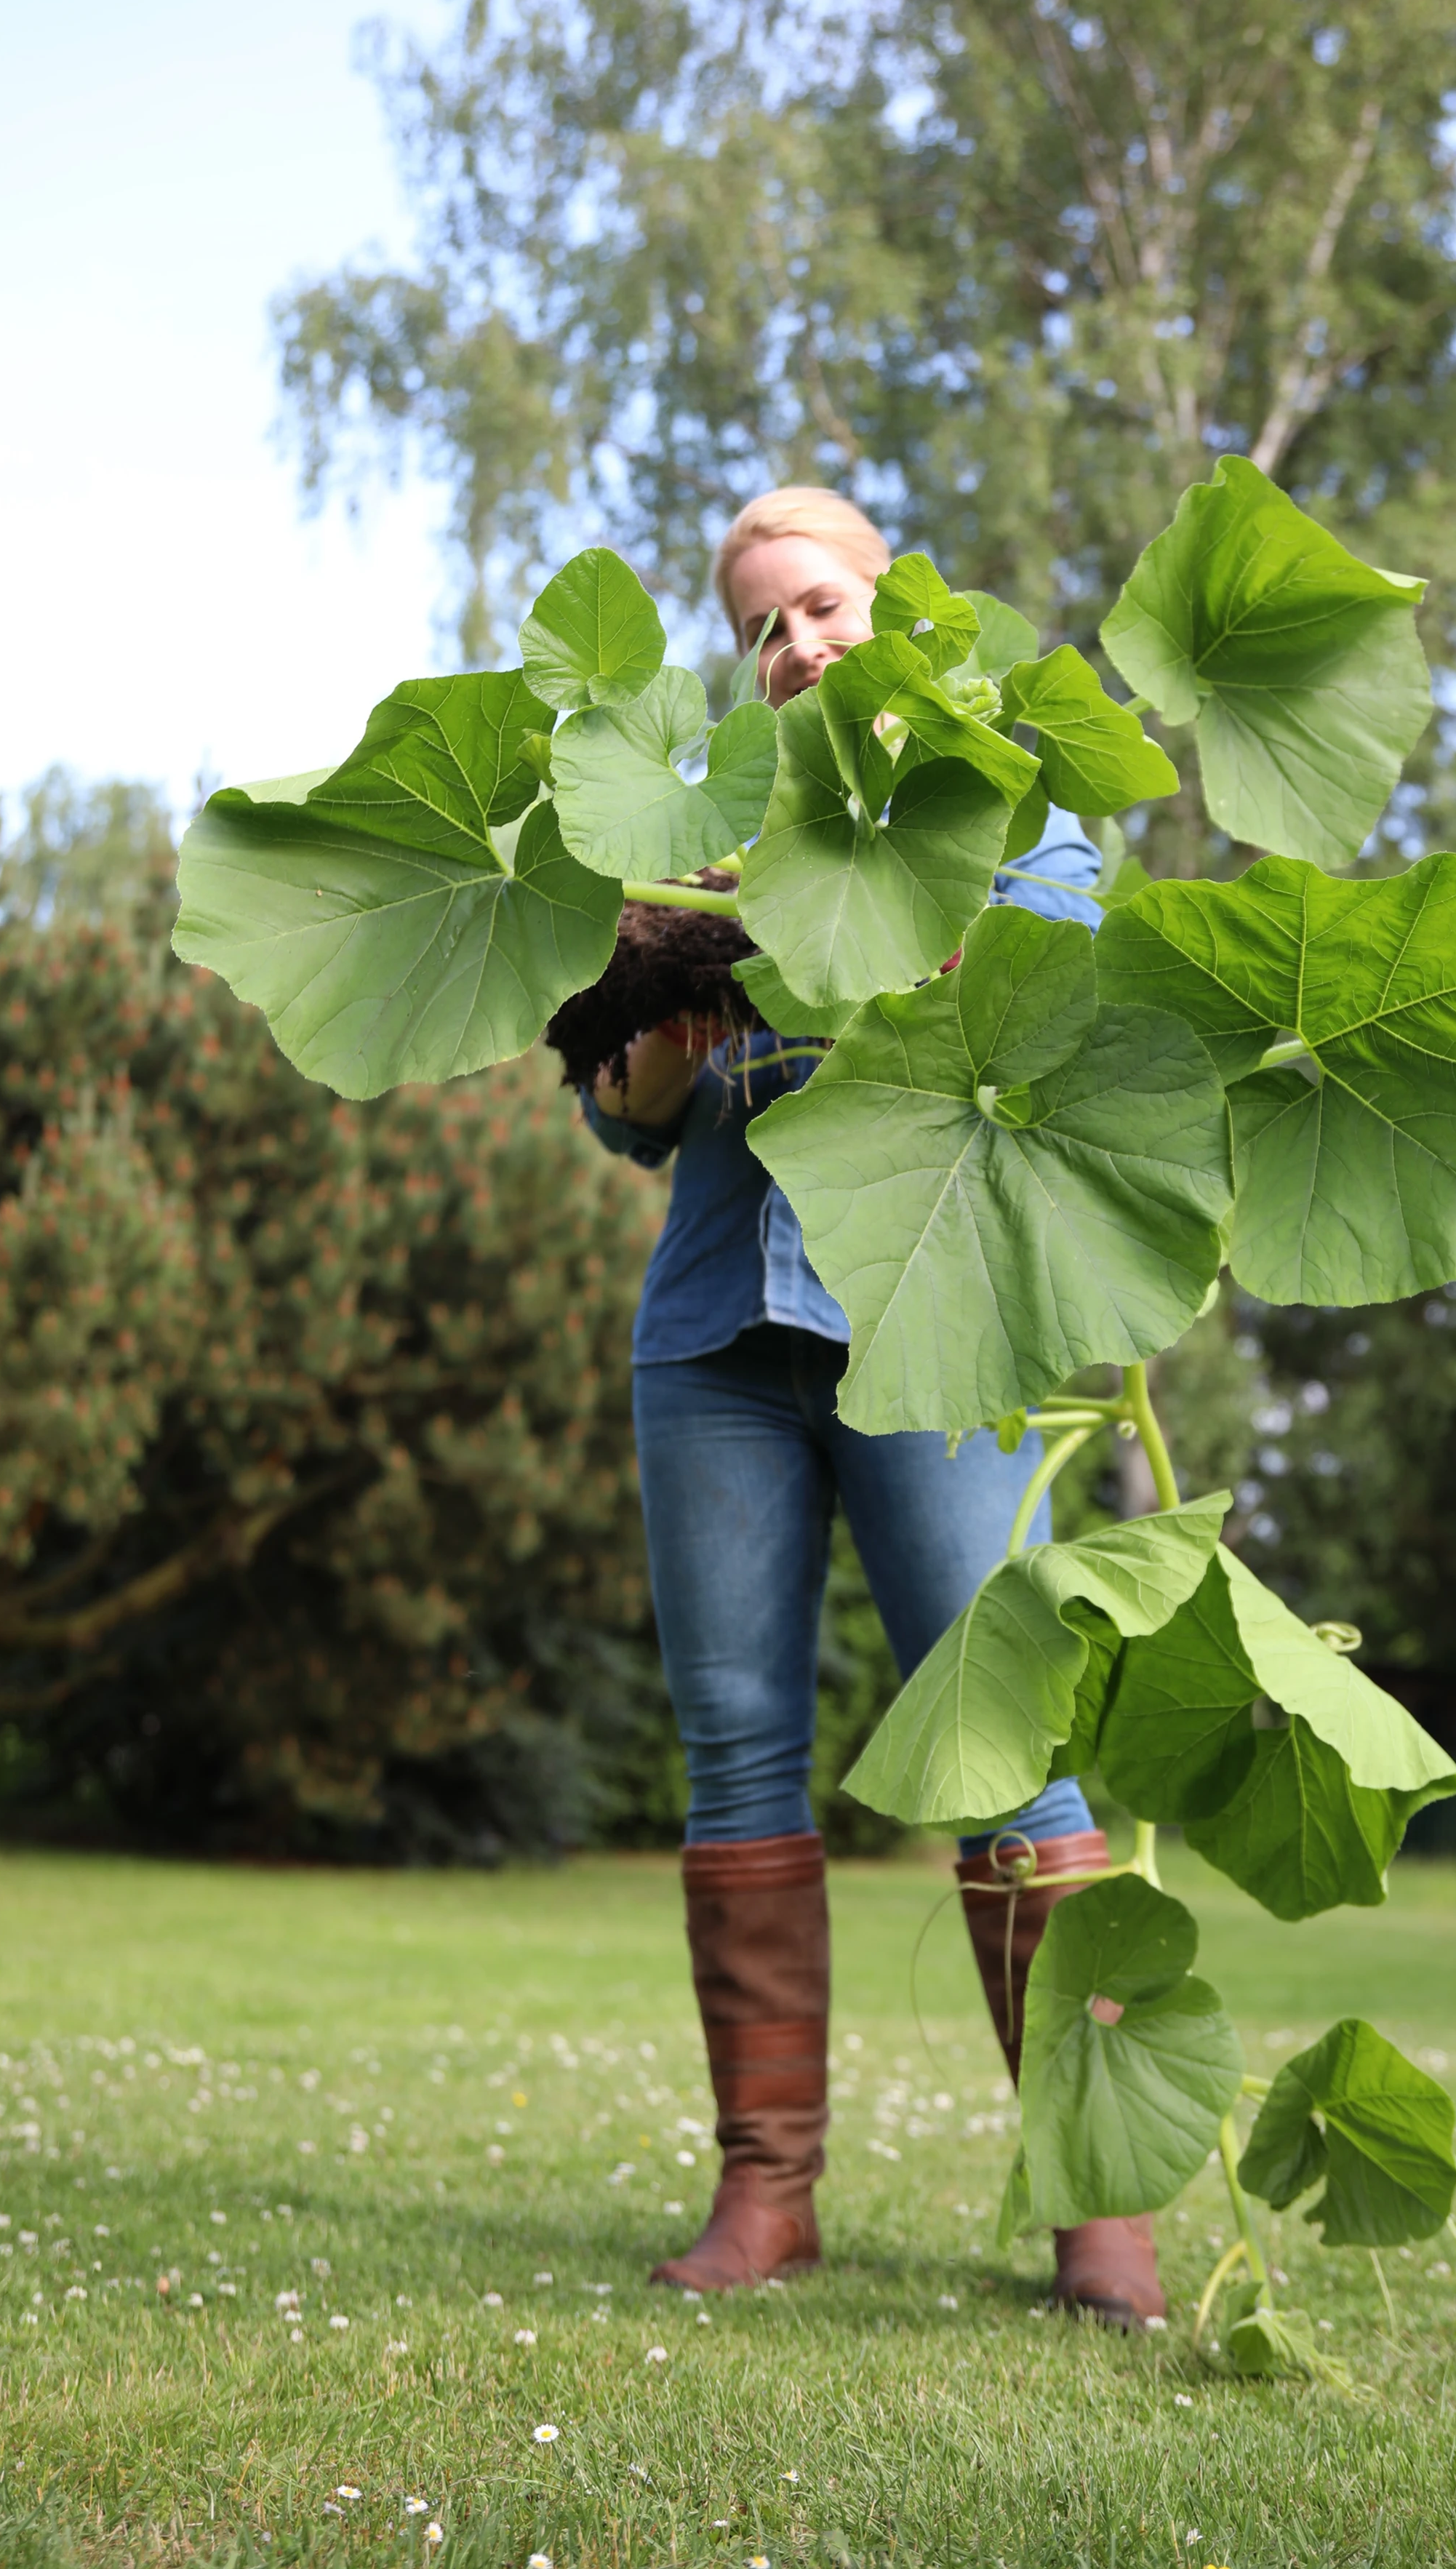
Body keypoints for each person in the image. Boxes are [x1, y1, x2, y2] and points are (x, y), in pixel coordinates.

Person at [579, 486, 1165, 2329]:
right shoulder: (695, 830)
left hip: (939, 1321)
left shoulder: (1010, 796)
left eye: (818, 607)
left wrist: (832, 925)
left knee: (1011, 1748)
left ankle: (1101, 2215)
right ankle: (768, 2195)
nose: (796, 646)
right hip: (713, 1335)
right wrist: (666, 990)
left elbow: (1047, 1000)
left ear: (890, 602)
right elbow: (628, 1116)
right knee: (736, 1750)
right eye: (760, 628)